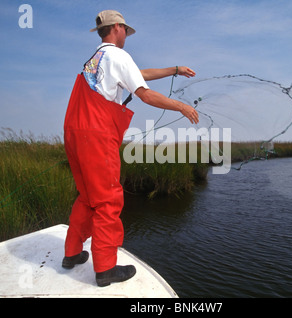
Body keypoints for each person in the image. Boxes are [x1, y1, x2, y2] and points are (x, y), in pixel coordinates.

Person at [61, 10, 199, 287]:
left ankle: (72, 254)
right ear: (118, 28)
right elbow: (144, 93)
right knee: (108, 199)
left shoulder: (96, 58)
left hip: (74, 132)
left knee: (88, 195)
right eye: (126, 30)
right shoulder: (118, 55)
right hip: (97, 134)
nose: (127, 35)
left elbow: (138, 75)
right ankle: (105, 269)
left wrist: (174, 70)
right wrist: (181, 106)